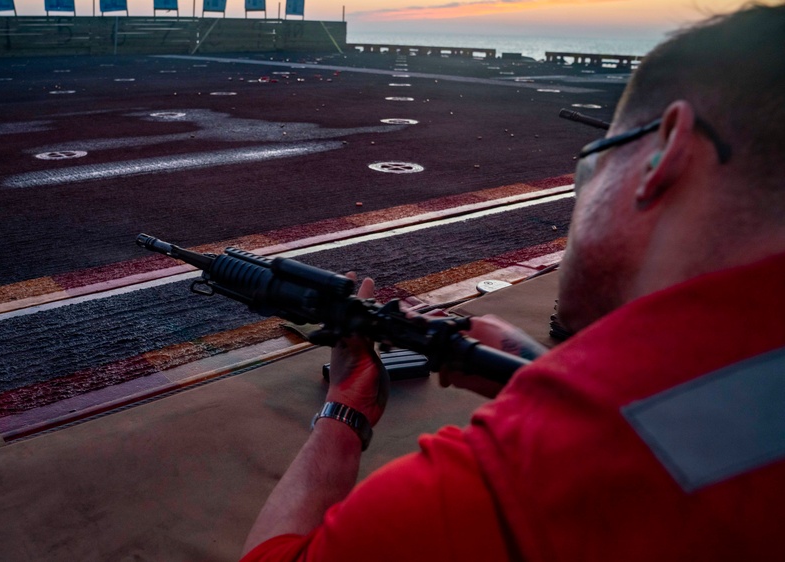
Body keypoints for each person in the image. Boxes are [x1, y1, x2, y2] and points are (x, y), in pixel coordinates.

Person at [241, 3, 785, 560]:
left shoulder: (499, 492)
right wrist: (547, 377)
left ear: (665, 154)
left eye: (594, 163)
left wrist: (342, 416)